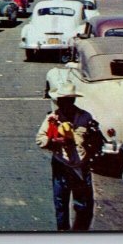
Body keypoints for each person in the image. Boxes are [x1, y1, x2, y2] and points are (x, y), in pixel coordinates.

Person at [35, 83, 96, 231]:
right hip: (61, 166)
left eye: (68, 100)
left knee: (83, 206)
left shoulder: (85, 117)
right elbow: (40, 139)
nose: (64, 104)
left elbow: (94, 141)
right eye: (61, 100)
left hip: (81, 168)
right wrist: (53, 141)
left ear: (73, 101)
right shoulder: (52, 118)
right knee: (61, 203)